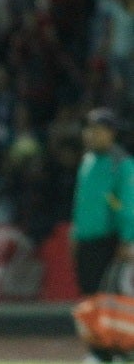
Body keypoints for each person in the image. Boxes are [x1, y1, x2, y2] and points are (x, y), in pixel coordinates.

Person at [70, 107, 134, 364]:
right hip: (86, 240)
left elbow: (128, 204)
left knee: (111, 300)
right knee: (90, 299)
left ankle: (119, 350)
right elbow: (81, 202)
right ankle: (99, 351)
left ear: (111, 133)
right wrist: (75, 233)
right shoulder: (87, 161)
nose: (91, 134)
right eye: (89, 129)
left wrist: (127, 238)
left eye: (97, 130)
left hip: (109, 240)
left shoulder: (122, 164)